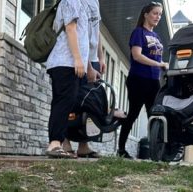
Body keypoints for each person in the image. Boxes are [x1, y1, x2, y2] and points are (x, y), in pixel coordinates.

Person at [116, 2, 168, 159]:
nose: (157, 17)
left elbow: (156, 57)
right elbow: (137, 55)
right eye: (155, 13)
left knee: (156, 116)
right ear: (146, 14)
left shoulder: (157, 37)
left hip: (153, 81)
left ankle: (157, 151)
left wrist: (164, 67)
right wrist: (159, 64)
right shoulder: (138, 32)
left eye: (160, 14)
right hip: (138, 79)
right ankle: (121, 149)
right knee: (133, 114)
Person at [44, 0, 91, 159]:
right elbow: (71, 29)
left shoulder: (80, 3)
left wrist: (86, 64)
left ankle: (59, 143)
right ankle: (55, 143)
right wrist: (78, 59)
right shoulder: (71, 0)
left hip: (71, 63)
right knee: (63, 101)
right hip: (65, 62)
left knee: (68, 102)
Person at [63, 0, 104, 158]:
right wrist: (85, 64)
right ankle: (65, 141)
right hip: (78, 56)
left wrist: (101, 57)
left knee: (88, 104)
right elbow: (75, 31)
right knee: (71, 101)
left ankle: (83, 144)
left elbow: (96, 29)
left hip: (92, 57)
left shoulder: (95, 2)